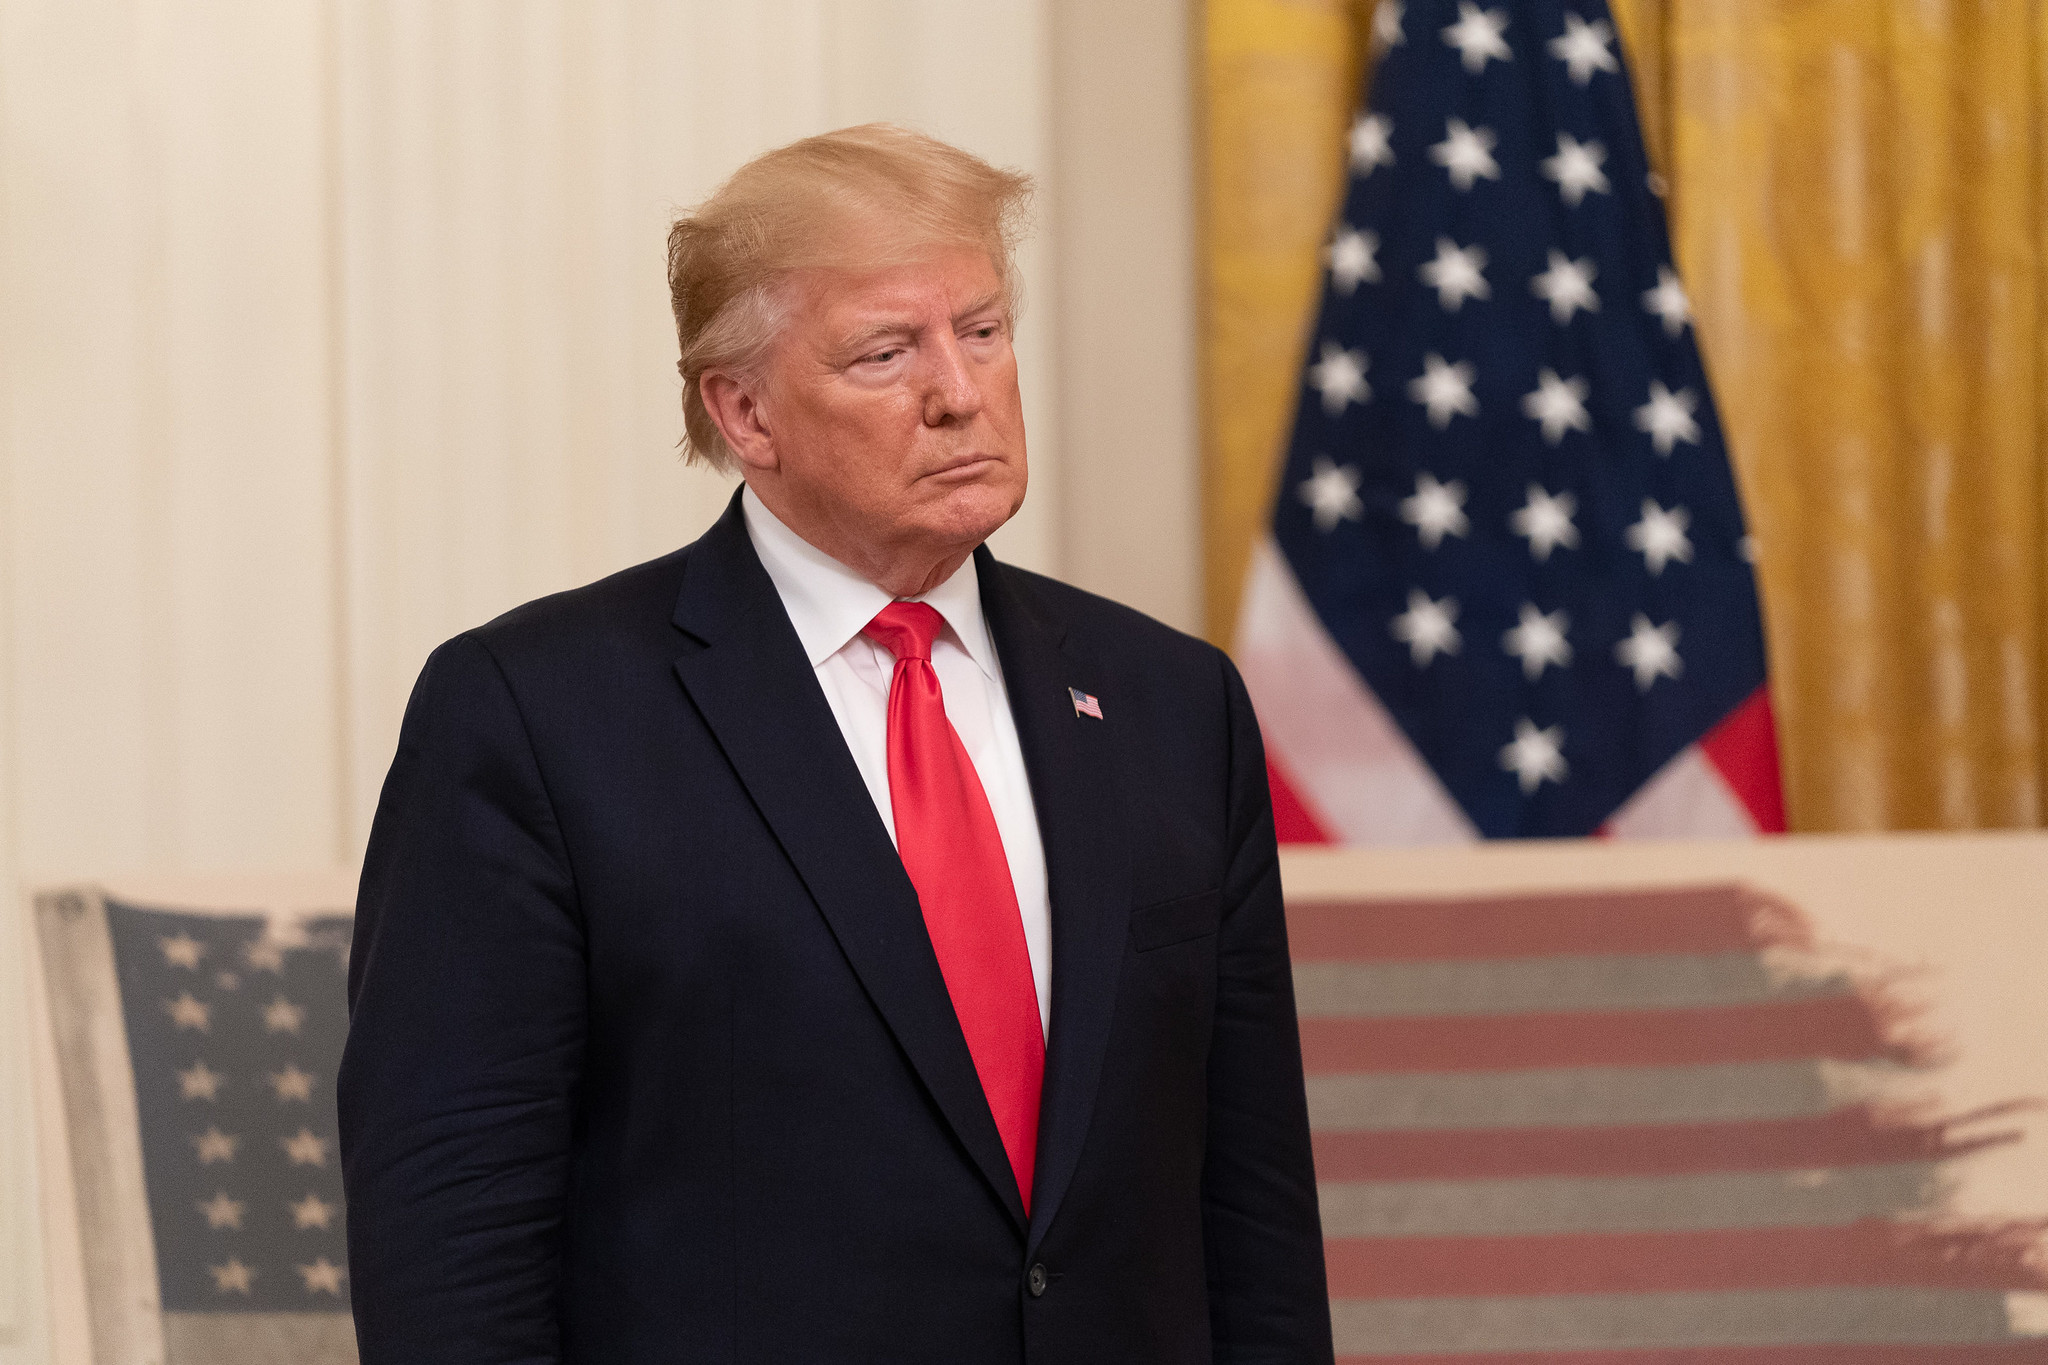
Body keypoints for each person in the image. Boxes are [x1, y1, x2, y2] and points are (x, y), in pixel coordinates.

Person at [338, 123, 1333, 1364]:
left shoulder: (1171, 703)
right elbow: (450, 1236)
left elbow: (1251, 1208)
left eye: (979, 330)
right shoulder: (534, 716)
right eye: (883, 353)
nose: (959, 391)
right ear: (744, 412)